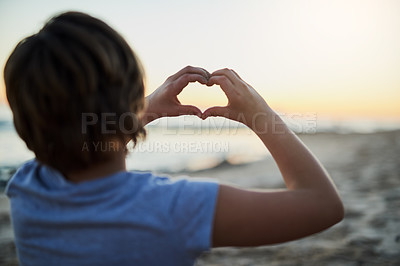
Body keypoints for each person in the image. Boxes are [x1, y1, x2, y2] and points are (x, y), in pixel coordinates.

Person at [4, 11, 344, 266]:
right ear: (133, 93)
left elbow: (72, 134)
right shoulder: (174, 209)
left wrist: (140, 110)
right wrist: (262, 117)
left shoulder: (25, 188)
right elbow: (323, 205)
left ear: (23, 123)